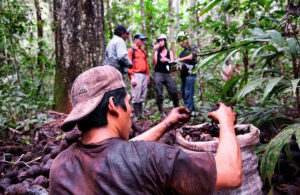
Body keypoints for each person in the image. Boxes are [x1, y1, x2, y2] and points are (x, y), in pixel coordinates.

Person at [49, 65, 242, 194]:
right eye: (128, 102)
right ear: (113, 106)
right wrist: (226, 122)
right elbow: (231, 174)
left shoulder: (59, 166)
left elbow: (114, 155)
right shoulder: (150, 158)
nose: (131, 110)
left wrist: (167, 123)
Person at [152, 34, 179, 118]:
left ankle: (177, 108)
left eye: (162, 40)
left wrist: (167, 60)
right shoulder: (157, 52)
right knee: (159, 91)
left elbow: (173, 64)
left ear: (165, 41)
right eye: (159, 40)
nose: (160, 42)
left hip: (167, 73)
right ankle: (161, 111)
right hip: (158, 73)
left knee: (173, 90)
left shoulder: (169, 52)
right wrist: (154, 51)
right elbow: (154, 63)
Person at [128, 33, 150, 122]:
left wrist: (147, 76)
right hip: (136, 74)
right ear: (136, 40)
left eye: (143, 40)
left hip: (144, 75)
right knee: (136, 95)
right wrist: (132, 76)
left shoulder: (143, 51)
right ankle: (136, 115)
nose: (143, 41)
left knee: (142, 95)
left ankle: (140, 114)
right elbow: (129, 64)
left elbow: (146, 64)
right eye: (141, 39)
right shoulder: (131, 51)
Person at [176, 31, 198, 116]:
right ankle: (192, 112)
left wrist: (179, 60)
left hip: (190, 74)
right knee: (185, 94)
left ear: (187, 39)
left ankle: (188, 113)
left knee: (189, 93)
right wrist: (178, 66)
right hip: (183, 76)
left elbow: (191, 57)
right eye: (180, 41)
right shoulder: (181, 53)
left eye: (183, 40)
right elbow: (180, 65)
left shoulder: (193, 48)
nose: (181, 42)